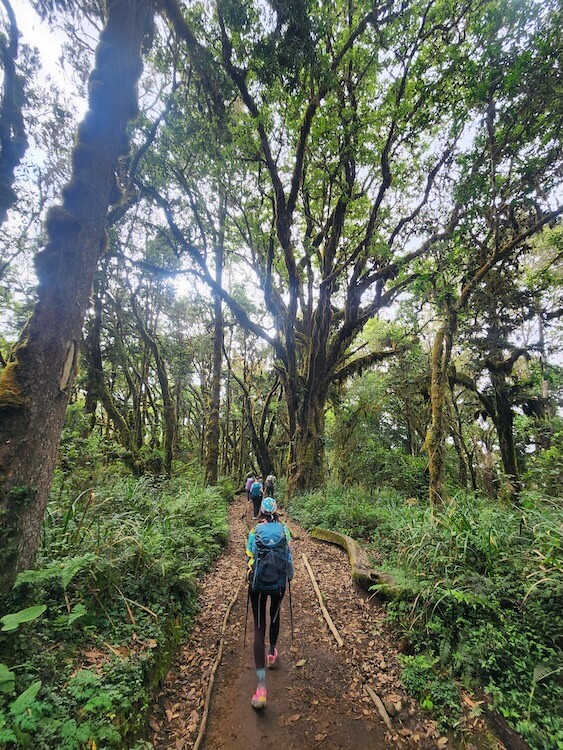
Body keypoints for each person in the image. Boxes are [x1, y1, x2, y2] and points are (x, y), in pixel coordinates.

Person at [245, 497, 293, 710]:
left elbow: (249, 556)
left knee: (258, 628)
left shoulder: (255, 532)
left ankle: (261, 687)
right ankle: (272, 652)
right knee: (275, 613)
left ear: (262, 514)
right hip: (279, 583)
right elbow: (289, 556)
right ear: (275, 512)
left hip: (257, 584)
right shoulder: (285, 530)